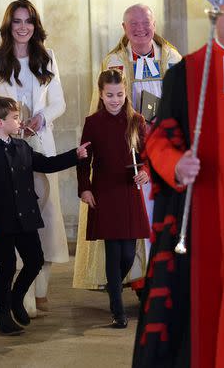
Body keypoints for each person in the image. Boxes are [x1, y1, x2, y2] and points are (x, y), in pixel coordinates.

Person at [133, 0, 224, 367]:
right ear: (215, 17)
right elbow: (160, 136)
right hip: (210, 220)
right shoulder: (187, 74)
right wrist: (177, 164)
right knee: (210, 309)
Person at [73, 4, 182, 292]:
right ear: (124, 28)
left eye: (145, 22)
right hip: (131, 149)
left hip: (166, 148)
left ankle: (162, 276)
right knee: (137, 213)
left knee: (163, 212)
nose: (140, 28)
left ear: (154, 23)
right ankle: (136, 278)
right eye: (133, 24)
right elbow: (104, 107)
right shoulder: (114, 61)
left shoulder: (172, 58)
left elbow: (184, 101)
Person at [0, 0, 68, 315]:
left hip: (40, 144)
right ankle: (20, 296)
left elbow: (59, 103)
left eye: (28, 20)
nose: (23, 26)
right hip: (6, 149)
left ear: (35, 25)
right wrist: (7, 123)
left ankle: (40, 288)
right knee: (12, 217)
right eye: (17, 21)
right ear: (8, 25)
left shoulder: (48, 58)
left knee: (44, 218)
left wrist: (42, 118)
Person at [0, 96, 88, 335]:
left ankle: (16, 299)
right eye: (14, 118)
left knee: (35, 260)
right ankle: (3, 315)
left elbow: (47, 164)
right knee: (6, 266)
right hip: (1, 220)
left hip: (25, 215)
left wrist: (74, 155)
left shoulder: (22, 147)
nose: (19, 121)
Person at [77, 69, 150, 328]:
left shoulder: (137, 120)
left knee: (128, 254)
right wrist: (85, 188)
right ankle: (118, 311)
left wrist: (145, 172)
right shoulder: (93, 122)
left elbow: (147, 155)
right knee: (113, 252)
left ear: (126, 92)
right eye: (109, 95)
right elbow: (83, 161)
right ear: (101, 94)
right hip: (105, 191)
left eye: (119, 94)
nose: (115, 100)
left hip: (129, 191)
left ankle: (114, 285)